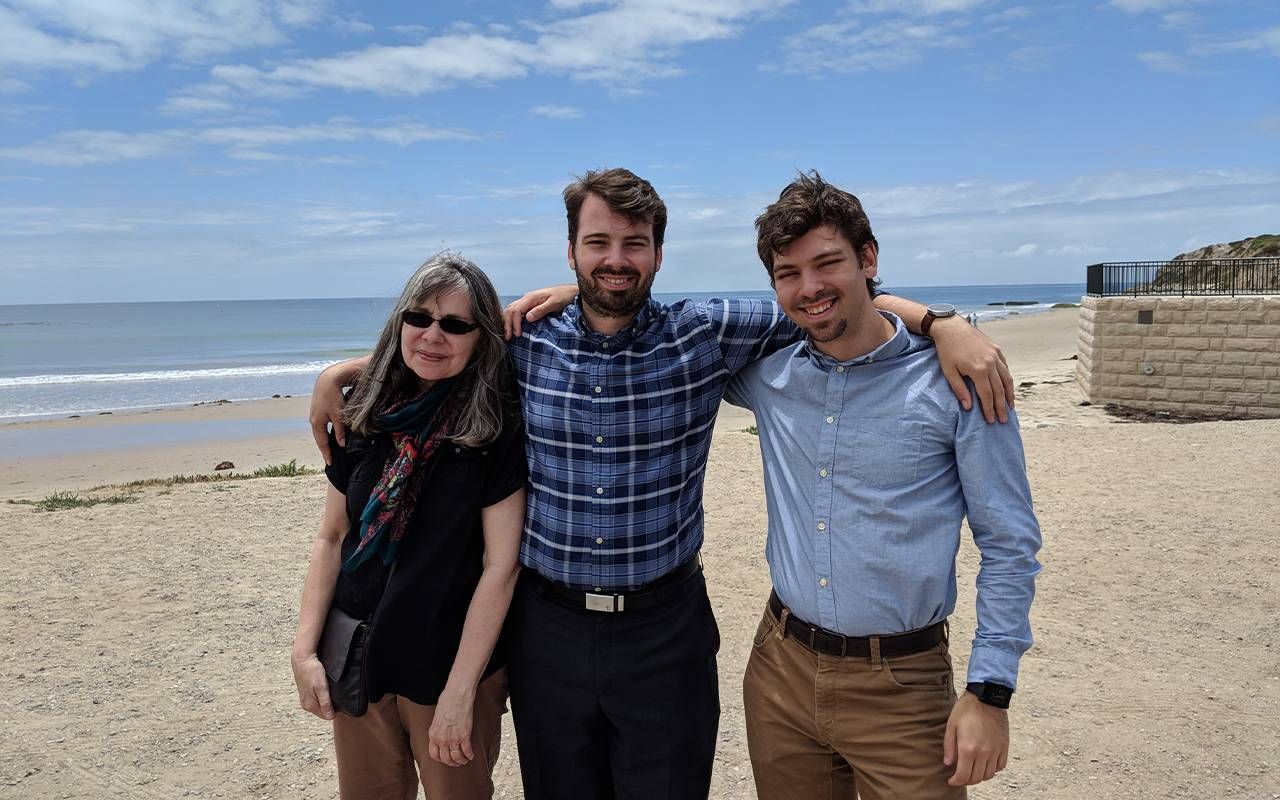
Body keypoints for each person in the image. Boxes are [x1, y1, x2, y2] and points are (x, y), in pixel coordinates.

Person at [311, 168, 1016, 800]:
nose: (616, 260)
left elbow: (828, 304)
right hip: (545, 629)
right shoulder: (523, 341)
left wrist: (941, 322)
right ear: (571, 253)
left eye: (634, 243)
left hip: (664, 628)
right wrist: (338, 374)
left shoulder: (703, 332)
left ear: (657, 253)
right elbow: (438, 346)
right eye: (598, 244)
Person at [725, 172, 1042, 799]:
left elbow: (1009, 543)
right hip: (779, 669)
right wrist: (584, 286)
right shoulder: (769, 376)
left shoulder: (959, 385)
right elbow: (643, 330)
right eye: (788, 274)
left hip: (904, 684)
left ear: (868, 259)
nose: (809, 288)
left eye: (828, 264)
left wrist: (990, 691)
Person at [291, 253, 527, 800]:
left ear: (480, 337)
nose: (432, 335)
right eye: (418, 318)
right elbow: (331, 538)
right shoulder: (365, 414)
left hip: (447, 665)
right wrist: (304, 652)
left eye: (455, 324)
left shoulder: (494, 425)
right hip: (358, 656)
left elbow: (501, 567)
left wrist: (462, 692)